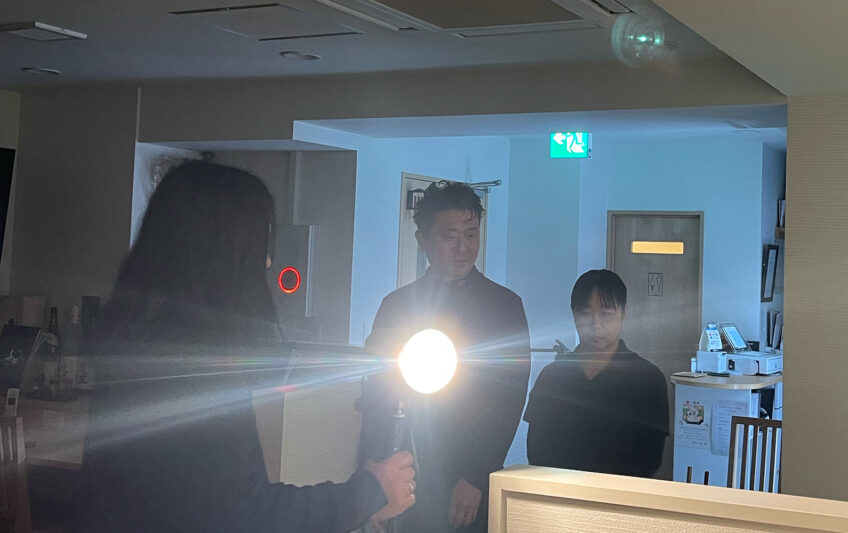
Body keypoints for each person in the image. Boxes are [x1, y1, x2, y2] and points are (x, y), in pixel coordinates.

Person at [81, 160, 415, 532]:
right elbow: (242, 516)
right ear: (218, 253)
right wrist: (367, 492)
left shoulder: (142, 344)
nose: (268, 261)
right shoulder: (189, 368)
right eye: (258, 245)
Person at [360, 181, 531, 533]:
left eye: (471, 234)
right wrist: (373, 479)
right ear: (422, 239)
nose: (463, 247)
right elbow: (377, 396)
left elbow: (508, 399)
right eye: (450, 236)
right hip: (406, 467)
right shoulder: (397, 306)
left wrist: (476, 475)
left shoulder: (504, 307)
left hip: (469, 473)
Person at [524, 269, 669, 478]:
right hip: (560, 491)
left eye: (606, 313)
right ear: (574, 315)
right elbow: (536, 450)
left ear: (624, 314)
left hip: (620, 493)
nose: (596, 324)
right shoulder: (552, 377)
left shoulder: (648, 379)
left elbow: (649, 458)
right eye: (585, 313)